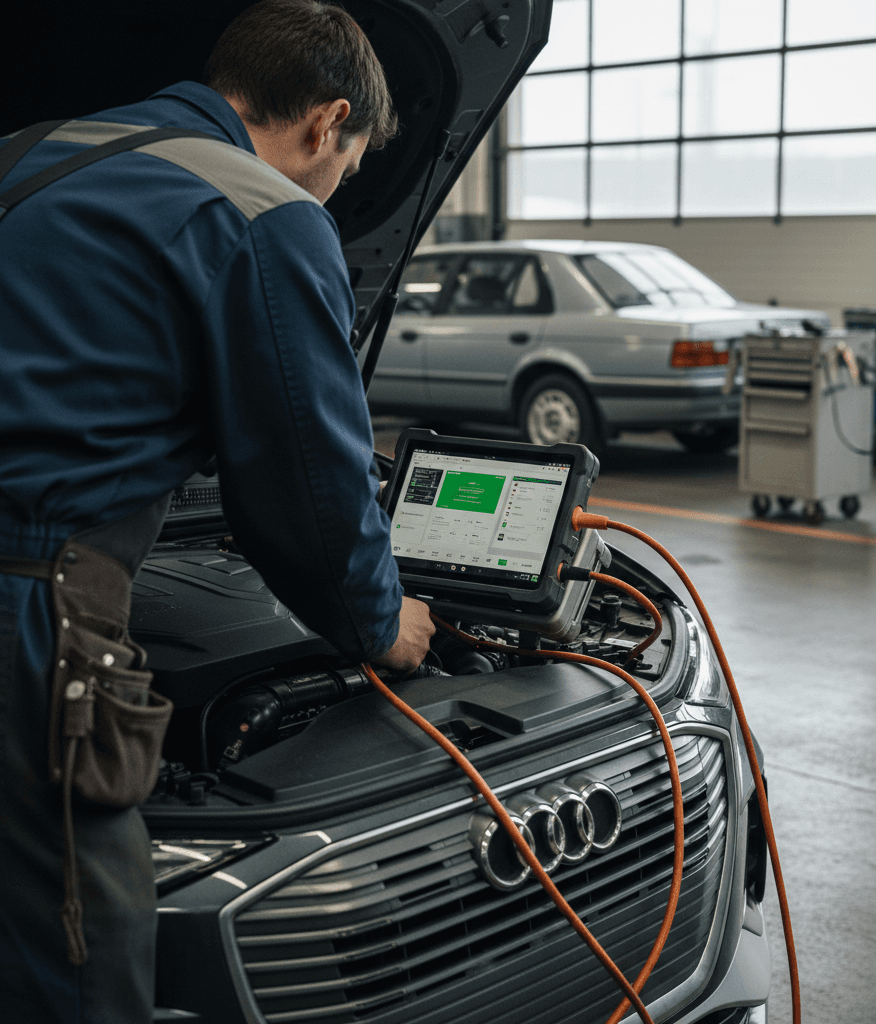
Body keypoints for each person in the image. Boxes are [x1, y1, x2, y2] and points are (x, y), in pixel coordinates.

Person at [0, 1, 433, 1019]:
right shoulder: (264, 209)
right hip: (28, 604)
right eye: (351, 165)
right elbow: (309, 494)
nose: (337, 189)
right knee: (78, 947)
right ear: (326, 125)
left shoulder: (27, 154)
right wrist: (382, 623)